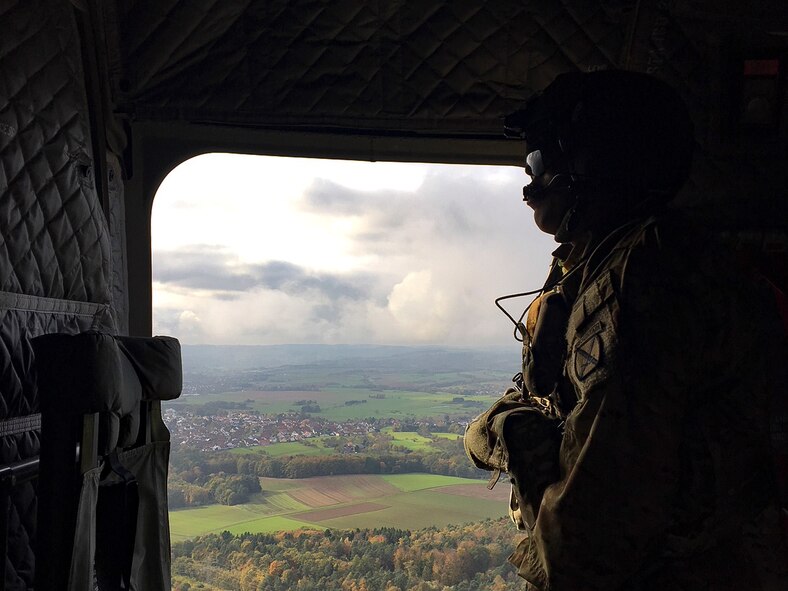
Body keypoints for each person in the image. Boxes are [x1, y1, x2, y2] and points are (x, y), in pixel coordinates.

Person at [465, 70, 788, 590]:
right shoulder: (594, 265)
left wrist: (518, 445)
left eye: (539, 163)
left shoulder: (641, 276)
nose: (528, 188)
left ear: (591, 167)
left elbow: (587, 549)